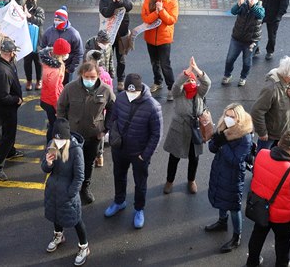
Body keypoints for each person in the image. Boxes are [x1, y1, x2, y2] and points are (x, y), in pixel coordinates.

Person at [104, 73, 162, 229]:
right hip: (120, 149)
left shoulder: (153, 106)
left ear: (140, 89)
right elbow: (113, 118)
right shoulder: (121, 98)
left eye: (134, 92)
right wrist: (111, 135)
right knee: (119, 176)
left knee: (140, 183)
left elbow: (156, 134)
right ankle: (119, 201)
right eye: (129, 92)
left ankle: (139, 209)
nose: (130, 95)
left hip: (139, 153)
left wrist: (145, 155)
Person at [245, 131, 290, 267]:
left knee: (257, 236)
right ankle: (282, 264)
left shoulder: (262, 154)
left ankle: (252, 262)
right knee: (282, 242)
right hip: (282, 217)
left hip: (261, 208)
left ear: (279, 143)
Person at [57, 62, 115, 205]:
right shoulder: (70, 88)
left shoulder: (106, 90)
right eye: (86, 76)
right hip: (73, 136)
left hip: (94, 135)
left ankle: (85, 188)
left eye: (92, 76)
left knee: (88, 163)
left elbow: (114, 109)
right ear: (81, 75)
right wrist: (64, 131)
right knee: (71, 163)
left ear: (98, 75)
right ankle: (71, 188)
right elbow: (61, 108)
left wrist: (105, 129)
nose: (89, 79)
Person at [205, 103, 253, 253]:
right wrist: (217, 142)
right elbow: (212, 147)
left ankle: (236, 237)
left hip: (233, 176)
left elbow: (236, 160)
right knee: (221, 197)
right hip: (219, 170)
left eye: (232, 116)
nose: (228, 118)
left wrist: (223, 145)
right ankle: (222, 222)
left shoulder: (245, 137)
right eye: (227, 115)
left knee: (233, 206)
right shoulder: (223, 128)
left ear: (239, 118)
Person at [41, 118, 90, 266]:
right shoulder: (52, 145)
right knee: (56, 215)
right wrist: (48, 163)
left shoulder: (76, 151)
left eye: (61, 139)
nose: (59, 142)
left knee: (75, 220)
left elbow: (79, 176)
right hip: (54, 191)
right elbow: (45, 168)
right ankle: (58, 236)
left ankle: (84, 246)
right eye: (56, 139)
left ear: (67, 138)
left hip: (68, 194)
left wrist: (71, 193)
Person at [162, 57, 210, 195]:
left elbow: (207, 83)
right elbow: (175, 86)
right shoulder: (179, 93)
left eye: (192, 80)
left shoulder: (200, 92)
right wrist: (187, 72)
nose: (191, 82)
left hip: (195, 129)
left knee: (194, 157)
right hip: (179, 129)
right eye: (188, 80)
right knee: (174, 157)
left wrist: (197, 70)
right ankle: (169, 181)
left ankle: (191, 180)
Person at [251, 56, 290, 151]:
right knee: (263, 156)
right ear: (288, 76)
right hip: (270, 135)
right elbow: (257, 111)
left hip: (285, 131)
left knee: (277, 158)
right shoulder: (271, 88)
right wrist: (262, 132)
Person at [0, 39, 24, 181]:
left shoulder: (1, 61)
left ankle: (10, 152)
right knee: (8, 136)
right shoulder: (2, 72)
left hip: (6, 108)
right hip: (6, 109)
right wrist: (17, 100)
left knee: (9, 132)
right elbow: (3, 96)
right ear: (10, 53)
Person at [141, 0, 179, 100]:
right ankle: (158, 82)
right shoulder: (148, 0)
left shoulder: (173, 2)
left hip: (164, 39)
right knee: (154, 63)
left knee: (165, 64)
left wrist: (161, 10)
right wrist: (156, 12)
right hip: (150, 38)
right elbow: (146, 19)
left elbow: (171, 20)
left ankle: (171, 88)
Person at [222, 0, 265, 87]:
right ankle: (227, 75)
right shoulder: (243, 6)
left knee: (247, 61)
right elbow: (233, 12)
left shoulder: (260, 8)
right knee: (230, 59)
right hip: (237, 38)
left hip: (251, 41)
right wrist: (238, 4)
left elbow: (260, 15)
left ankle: (243, 77)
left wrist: (253, 6)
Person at [99, 0, 133, 91]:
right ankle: (107, 81)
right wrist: (113, 3)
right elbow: (106, 13)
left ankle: (120, 81)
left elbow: (129, 7)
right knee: (107, 58)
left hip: (122, 34)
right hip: (109, 34)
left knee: (121, 59)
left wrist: (121, 1)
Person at [40, 6, 83, 84]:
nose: (57, 22)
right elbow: (43, 48)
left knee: (65, 89)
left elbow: (78, 53)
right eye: (55, 19)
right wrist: (46, 63)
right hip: (51, 68)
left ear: (65, 20)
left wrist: (70, 69)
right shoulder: (48, 32)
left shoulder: (74, 34)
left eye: (59, 20)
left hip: (66, 68)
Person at [39, 39, 70, 143]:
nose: (67, 55)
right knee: (54, 126)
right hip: (51, 102)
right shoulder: (55, 70)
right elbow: (53, 91)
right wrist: (58, 108)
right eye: (66, 53)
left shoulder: (49, 63)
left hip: (46, 99)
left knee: (52, 124)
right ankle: (50, 144)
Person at [22, 0, 46, 91]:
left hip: (37, 40)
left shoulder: (39, 10)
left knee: (38, 61)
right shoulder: (21, 9)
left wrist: (29, 16)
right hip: (26, 39)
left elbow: (40, 21)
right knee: (27, 62)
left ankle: (39, 80)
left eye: (32, 0)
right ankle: (28, 80)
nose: (30, 2)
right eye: (28, 0)